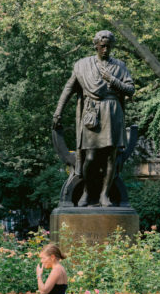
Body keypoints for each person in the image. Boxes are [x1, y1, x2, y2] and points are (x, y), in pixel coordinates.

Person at [53, 30, 134, 207]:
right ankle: (88, 191)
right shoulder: (83, 65)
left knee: (111, 158)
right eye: (102, 46)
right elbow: (68, 89)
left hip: (112, 113)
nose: (106, 49)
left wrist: (112, 80)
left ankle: (105, 194)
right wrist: (58, 111)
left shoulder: (119, 66)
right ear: (96, 45)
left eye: (109, 46)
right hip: (92, 115)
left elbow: (130, 89)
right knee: (90, 157)